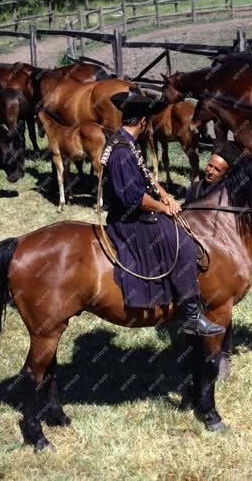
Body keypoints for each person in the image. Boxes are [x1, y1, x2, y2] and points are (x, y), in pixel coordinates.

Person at [102, 92, 225, 336]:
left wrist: (164, 193)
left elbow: (145, 173)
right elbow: (134, 198)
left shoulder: (127, 142)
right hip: (129, 219)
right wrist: (163, 207)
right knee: (182, 245)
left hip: (136, 209)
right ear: (143, 122)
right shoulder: (121, 153)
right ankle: (191, 316)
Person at [186, 139, 252, 267]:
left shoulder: (232, 195)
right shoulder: (195, 189)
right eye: (210, 166)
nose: (210, 171)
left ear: (225, 174)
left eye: (217, 169)